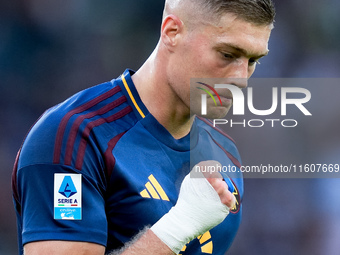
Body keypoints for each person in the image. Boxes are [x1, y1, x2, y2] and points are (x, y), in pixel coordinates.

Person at [11, 0, 275, 254]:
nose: (241, 80)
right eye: (227, 54)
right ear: (172, 31)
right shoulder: (74, 136)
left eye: (252, 61)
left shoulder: (225, 154)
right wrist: (179, 226)